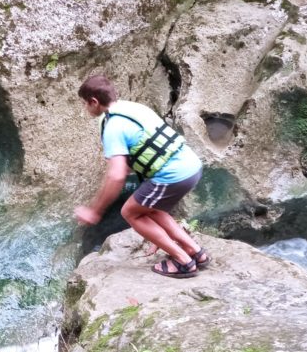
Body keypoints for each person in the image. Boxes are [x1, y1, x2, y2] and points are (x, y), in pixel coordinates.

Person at [74, 74, 209, 278]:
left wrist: (94, 211)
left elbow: (117, 175)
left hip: (172, 175)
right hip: (191, 166)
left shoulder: (113, 126)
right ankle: (195, 252)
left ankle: (183, 261)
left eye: (85, 103)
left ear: (94, 101)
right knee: (152, 209)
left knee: (130, 212)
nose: (85, 108)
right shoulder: (133, 108)